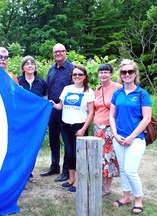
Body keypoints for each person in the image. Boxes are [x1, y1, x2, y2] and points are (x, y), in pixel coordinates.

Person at [109, 59, 152, 214]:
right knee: (123, 170)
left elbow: (147, 118)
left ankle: (138, 199)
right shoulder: (117, 93)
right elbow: (112, 115)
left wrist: (132, 136)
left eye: (130, 72)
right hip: (118, 138)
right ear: (120, 74)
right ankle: (126, 197)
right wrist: (115, 134)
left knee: (130, 169)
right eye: (124, 72)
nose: (127, 74)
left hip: (136, 139)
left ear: (135, 74)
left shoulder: (142, 94)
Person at [52, 65, 95, 193]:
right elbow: (60, 106)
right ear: (72, 76)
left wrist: (83, 129)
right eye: (75, 74)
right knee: (69, 153)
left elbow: (91, 113)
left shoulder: (88, 92)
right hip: (65, 125)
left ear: (85, 77)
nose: (77, 77)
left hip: (79, 126)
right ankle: (71, 179)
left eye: (80, 74)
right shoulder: (67, 89)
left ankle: (78, 181)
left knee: (78, 155)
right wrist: (51, 104)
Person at [40, 43, 74, 182]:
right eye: (55, 52)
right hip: (52, 108)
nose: (58, 53)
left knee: (66, 140)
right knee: (53, 138)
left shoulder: (72, 69)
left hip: (66, 109)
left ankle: (67, 170)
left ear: (66, 52)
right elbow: (48, 88)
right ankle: (54, 166)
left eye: (61, 51)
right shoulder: (51, 69)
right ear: (53, 54)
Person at [93, 63, 122, 196]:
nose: (103, 75)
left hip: (110, 127)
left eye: (106, 72)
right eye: (101, 72)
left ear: (111, 74)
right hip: (97, 127)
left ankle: (107, 187)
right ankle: (100, 184)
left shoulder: (118, 88)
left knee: (108, 157)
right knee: (99, 156)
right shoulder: (97, 89)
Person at [18, 55, 48, 183]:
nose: (30, 65)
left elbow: (45, 100)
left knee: (33, 146)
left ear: (35, 67)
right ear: (23, 67)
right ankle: (21, 174)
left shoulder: (41, 82)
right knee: (21, 147)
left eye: (32, 63)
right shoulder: (17, 81)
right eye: (27, 63)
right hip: (21, 120)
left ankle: (29, 173)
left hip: (36, 121)